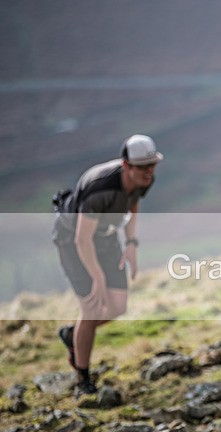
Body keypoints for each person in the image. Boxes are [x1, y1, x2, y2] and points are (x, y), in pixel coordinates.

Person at [52, 134, 162, 395]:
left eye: (152, 165)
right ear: (126, 166)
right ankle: (83, 379)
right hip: (73, 242)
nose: (148, 172)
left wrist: (132, 243)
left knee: (118, 307)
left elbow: (133, 203)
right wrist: (97, 278)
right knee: (91, 310)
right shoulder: (99, 190)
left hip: (107, 237)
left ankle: (72, 335)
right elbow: (82, 239)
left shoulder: (143, 180)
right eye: (142, 167)